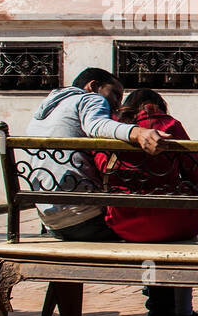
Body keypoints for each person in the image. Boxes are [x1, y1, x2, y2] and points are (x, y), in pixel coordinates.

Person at [94, 89, 198, 316]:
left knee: (156, 231)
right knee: (180, 223)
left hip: (123, 220)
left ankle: (160, 307)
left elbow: (101, 167)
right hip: (172, 224)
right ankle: (180, 311)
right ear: (159, 106)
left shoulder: (112, 127)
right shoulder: (169, 125)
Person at [26, 68, 168, 240]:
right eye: (115, 94)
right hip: (86, 217)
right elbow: (97, 125)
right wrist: (138, 133)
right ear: (93, 86)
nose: (117, 103)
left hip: (50, 220)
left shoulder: (45, 109)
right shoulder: (89, 98)